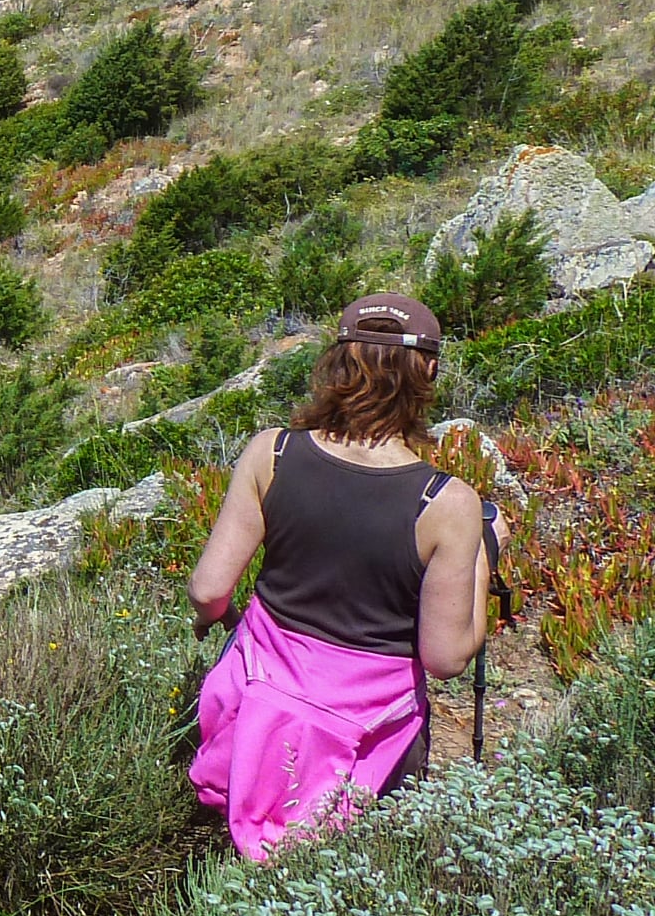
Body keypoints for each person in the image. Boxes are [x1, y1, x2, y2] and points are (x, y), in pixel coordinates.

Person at [183, 293, 498, 860]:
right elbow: (446, 658)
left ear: (337, 362)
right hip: (365, 736)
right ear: (428, 370)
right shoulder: (447, 504)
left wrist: (223, 620)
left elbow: (208, 590)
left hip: (258, 710)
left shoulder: (272, 453)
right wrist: (480, 558)